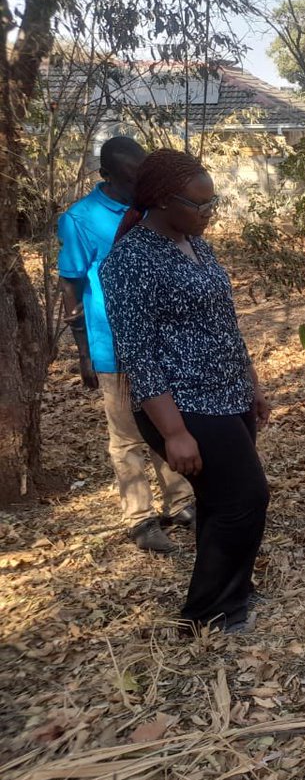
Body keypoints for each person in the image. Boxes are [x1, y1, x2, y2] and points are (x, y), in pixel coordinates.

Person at [100, 148, 271, 634]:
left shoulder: (198, 245)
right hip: (185, 404)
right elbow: (140, 355)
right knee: (245, 499)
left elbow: (225, 323)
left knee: (221, 503)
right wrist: (173, 433)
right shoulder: (129, 261)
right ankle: (206, 612)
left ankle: (231, 592)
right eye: (200, 206)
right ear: (161, 201)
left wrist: (251, 383)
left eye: (212, 204)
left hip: (229, 392)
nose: (208, 215)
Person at [57, 136, 194, 553]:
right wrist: (83, 350)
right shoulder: (80, 219)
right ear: (107, 176)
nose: (140, 183)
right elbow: (71, 282)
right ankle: (140, 519)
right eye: (132, 177)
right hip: (112, 345)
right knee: (127, 436)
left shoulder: (155, 208)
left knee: (170, 424)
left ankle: (181, 503)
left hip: (164, 343)